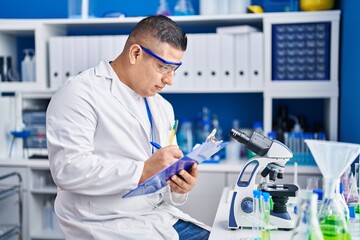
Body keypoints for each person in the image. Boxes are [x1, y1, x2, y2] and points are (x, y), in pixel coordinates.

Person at [46, 15, 211, 239]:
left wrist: (179, 187)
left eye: (175, 69)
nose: (169, 80)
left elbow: (162, 179)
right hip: (105, 224)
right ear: (135, 53)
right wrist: (142, 171)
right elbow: (67, 170)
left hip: (156, 218)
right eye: (163, 67)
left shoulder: (162, 106)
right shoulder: (79, 93)